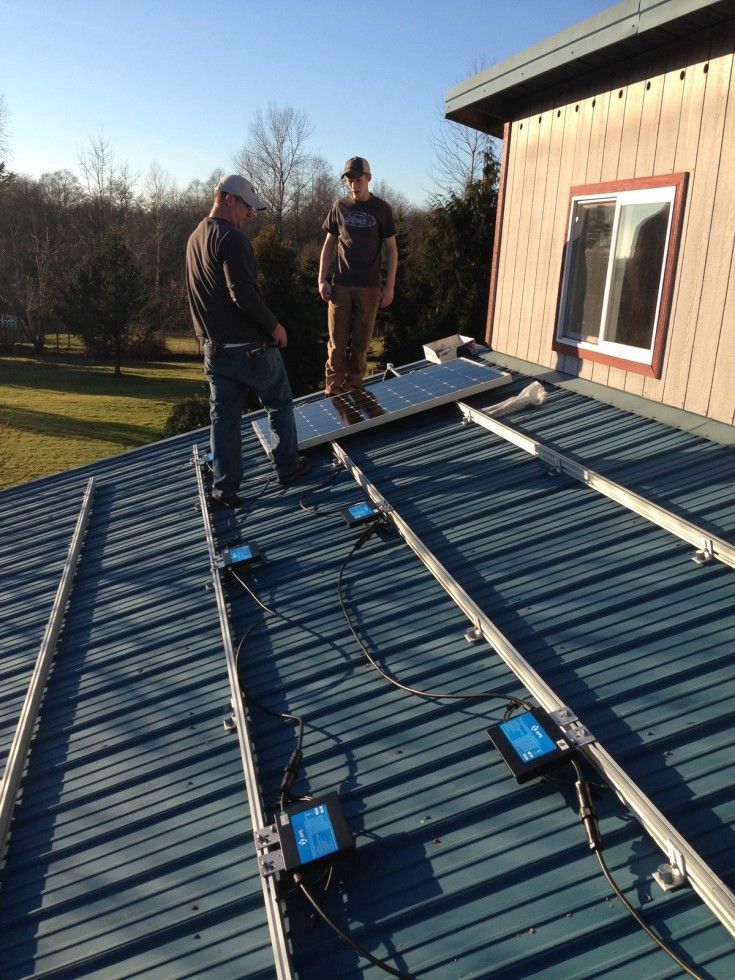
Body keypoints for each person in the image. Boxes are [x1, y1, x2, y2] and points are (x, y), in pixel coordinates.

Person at [186, 173, 309, 508]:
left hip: (215, 349)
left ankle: (225, 490)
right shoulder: (232, 240)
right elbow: (242, 294)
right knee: (279, 402)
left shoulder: (195, 237)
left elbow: (197, 296)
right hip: (250, 349)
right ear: (228, 199)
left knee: (223, 420)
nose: (250, 215)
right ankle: (287, 468)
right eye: (246, 207)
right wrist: (274, 327)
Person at [318, 157, 397, 396]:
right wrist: (321, 278)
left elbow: (392, 249)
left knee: (361, 344)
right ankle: (332, 392)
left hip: (370, 288)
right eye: (350, 180)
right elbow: (329, 243)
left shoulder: (382, 209)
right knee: (336, 344)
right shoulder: (339, 206)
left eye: (359, 179)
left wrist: (390, 286)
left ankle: (352, 389)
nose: (354, 185)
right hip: (340, 285)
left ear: (369, 178)